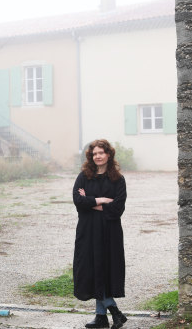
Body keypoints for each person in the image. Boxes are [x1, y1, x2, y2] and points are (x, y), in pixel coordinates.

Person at [72, 139, 129, 329]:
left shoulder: (118, 180)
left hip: (109, 232)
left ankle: (104, 315)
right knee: (91, 269)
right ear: (91, 156)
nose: (97, 156)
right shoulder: (84, 177)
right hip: (88, 231)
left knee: (104, 269)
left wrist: (91, 202)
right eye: (94, 153)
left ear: (108, 154)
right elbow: (77, 201)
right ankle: (106, 315)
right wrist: (102, 199)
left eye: (101, 153)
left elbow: (117, 208)